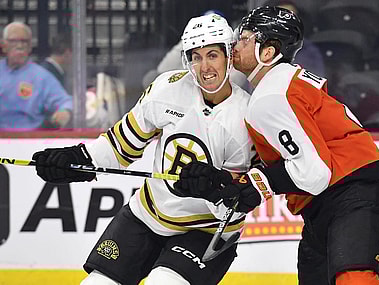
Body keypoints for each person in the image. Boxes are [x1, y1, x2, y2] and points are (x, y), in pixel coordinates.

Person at [176, 6, 379, 285]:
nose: (235, 45)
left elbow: (314, 174)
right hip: (330, 200)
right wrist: (234, 181)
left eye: (244, 39)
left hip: (349, 195)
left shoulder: (271, 96)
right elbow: (294, 159)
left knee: (355, 281)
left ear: (267, 52)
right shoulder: (285, 81)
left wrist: (260, 184)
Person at [32, 14, 254, 285]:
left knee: (164, 282)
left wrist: (214, 188)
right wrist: (78, 160)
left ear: (229, 56)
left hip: (206, 232)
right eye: (196, 57)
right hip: (147, 215)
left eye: (212, 55)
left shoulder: (246, 117)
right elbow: (122, 145)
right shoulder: (166, 89)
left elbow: (240, 199)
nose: (204, 66)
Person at [0, 22, 72, 130]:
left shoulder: (42, 76)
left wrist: (64, 112)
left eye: (24, 41)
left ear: (30, 47)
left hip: (30, 138)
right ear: (3, 46)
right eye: (14, 41)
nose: (19, 46)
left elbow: (66, 101)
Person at [263, 0, 325, 76]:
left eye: (292, 17)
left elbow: (313, 84)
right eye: (282, 18)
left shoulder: (309, 51)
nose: (287, 23)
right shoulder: (258, 47)